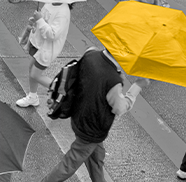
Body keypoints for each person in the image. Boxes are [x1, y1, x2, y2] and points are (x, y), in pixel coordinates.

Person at [40, 46, 150, 182]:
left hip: (78, 117)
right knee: (69, 164)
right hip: (92, 130)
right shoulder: (113, 80)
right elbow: (119, 108)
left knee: (96, 157)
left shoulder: (90, 54)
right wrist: (137, 86)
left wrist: (118, 74)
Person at [16, 2, 70, 107]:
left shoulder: (63, 12)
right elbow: (44, 20)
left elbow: (53, 34)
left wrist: (40, 20)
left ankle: (61, 90)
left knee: (35, 75)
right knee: (31, 68)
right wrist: (36, 20)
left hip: (46, 49)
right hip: (37, 43)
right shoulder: (50, 2)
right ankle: (32, 97)